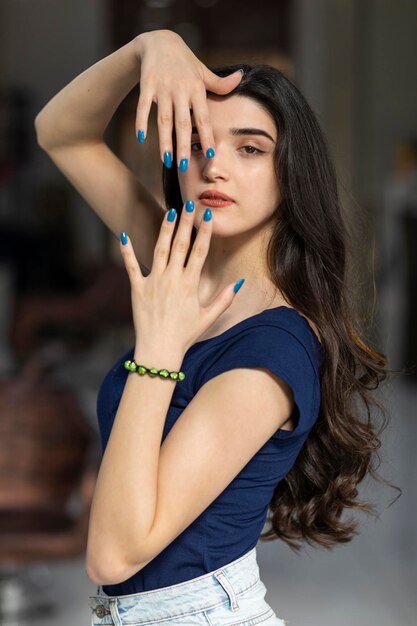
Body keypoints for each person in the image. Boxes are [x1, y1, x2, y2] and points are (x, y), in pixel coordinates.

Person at [35, 29, 400, 626]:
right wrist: (145, 49)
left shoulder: (273, 350)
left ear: (291, 172)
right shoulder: (176, 260)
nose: (214, 166)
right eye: (198, 143)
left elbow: (113, 554)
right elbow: (60, 133)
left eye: (249, 149)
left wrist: (158, 346)